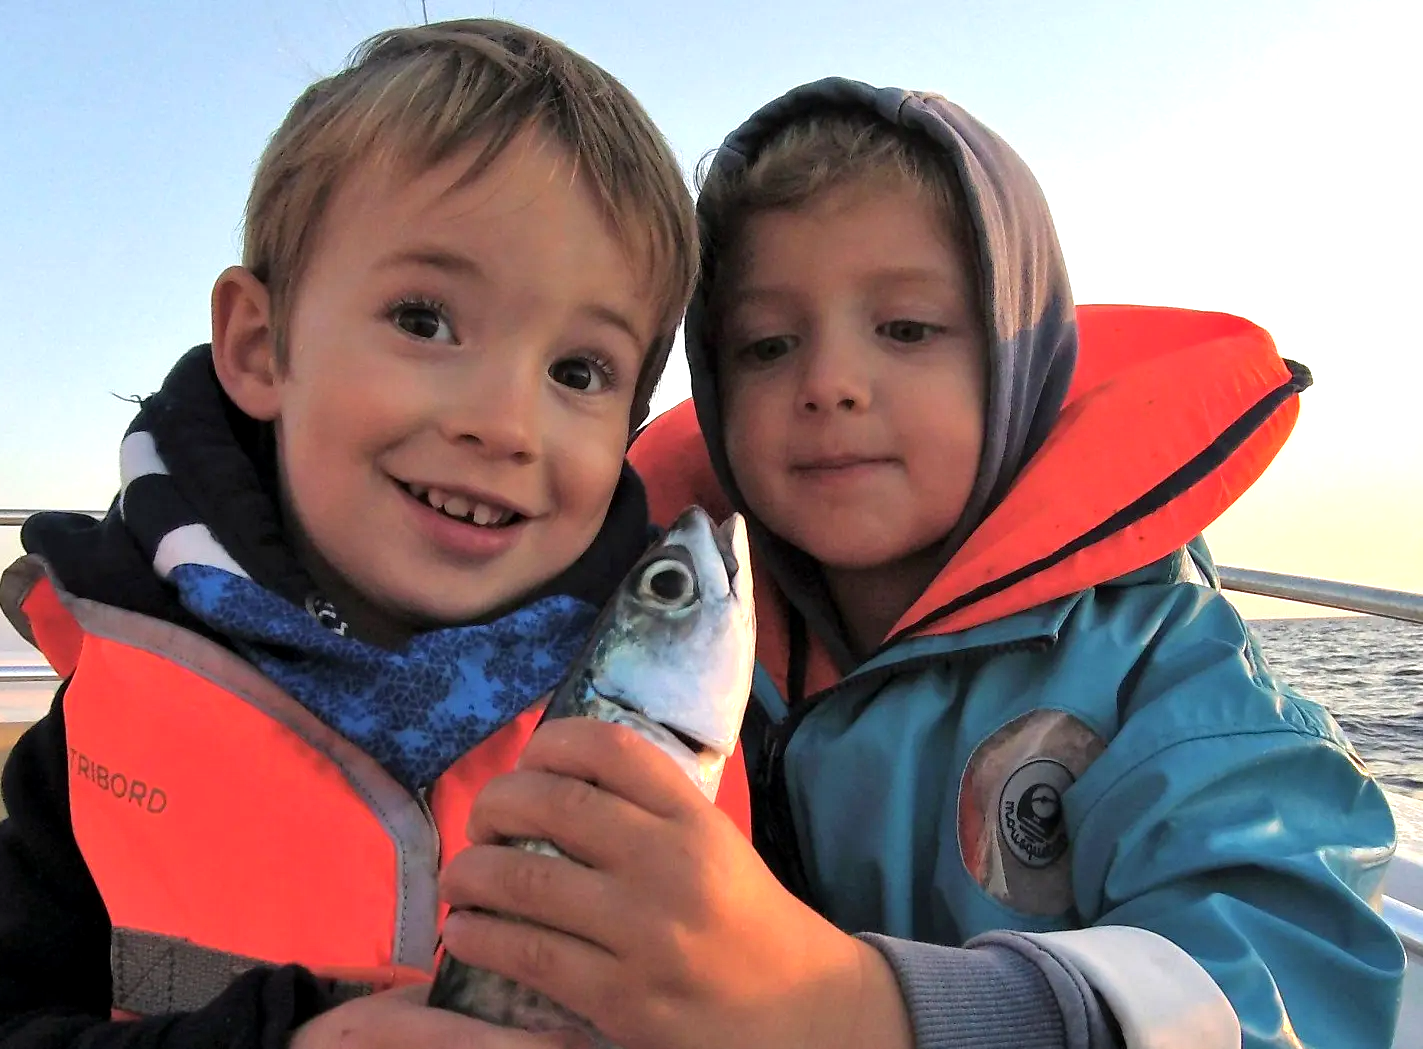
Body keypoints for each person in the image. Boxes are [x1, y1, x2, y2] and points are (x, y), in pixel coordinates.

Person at [435, 78, 1405, 1049]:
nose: (829, 384)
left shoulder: (1166, 673)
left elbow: (1288, 971)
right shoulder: (664, 642)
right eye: (767, 346)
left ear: (1019, 369)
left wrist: (854, 1007)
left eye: (905, 328)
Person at [0, 18, 729, 1049]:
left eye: (579, 371)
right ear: (262, 347)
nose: (505, 424)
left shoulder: (688, 709)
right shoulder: (103, 723)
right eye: (425, 320)